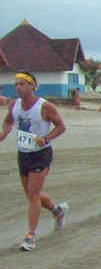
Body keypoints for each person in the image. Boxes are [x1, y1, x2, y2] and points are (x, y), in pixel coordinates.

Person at [0, 71, 68, 251]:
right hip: (23, 154)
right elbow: (8, 121)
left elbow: (61, 126)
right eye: (16, 84)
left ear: (32, 86)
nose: (18, 88)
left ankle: (30, 236)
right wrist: (5, 132)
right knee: (32, 195)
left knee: (33, 194)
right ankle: (57, 210)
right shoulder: (14, 105)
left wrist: (46, 138)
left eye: (22, 84)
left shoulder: (45, 106)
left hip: (40, 154)